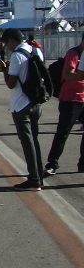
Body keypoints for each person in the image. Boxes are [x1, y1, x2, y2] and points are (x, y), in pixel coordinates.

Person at [0, 28, 45, 191]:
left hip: (21, 105)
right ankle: (38, 175)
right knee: (34, 141)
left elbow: (11, 84)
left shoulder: (17, 56)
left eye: (6, 43)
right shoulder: (36, 50)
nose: (6, 46)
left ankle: (34, 179)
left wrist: (4, 69)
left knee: (27, 142)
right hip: (36, 102)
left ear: (12, 40)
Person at [44, 30, 84, 176]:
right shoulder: (74, 54)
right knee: (63, 132)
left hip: (83, 97)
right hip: (70, 99)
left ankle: (82, 163)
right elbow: (67, 75)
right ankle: (52, 164)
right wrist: (81, 74)